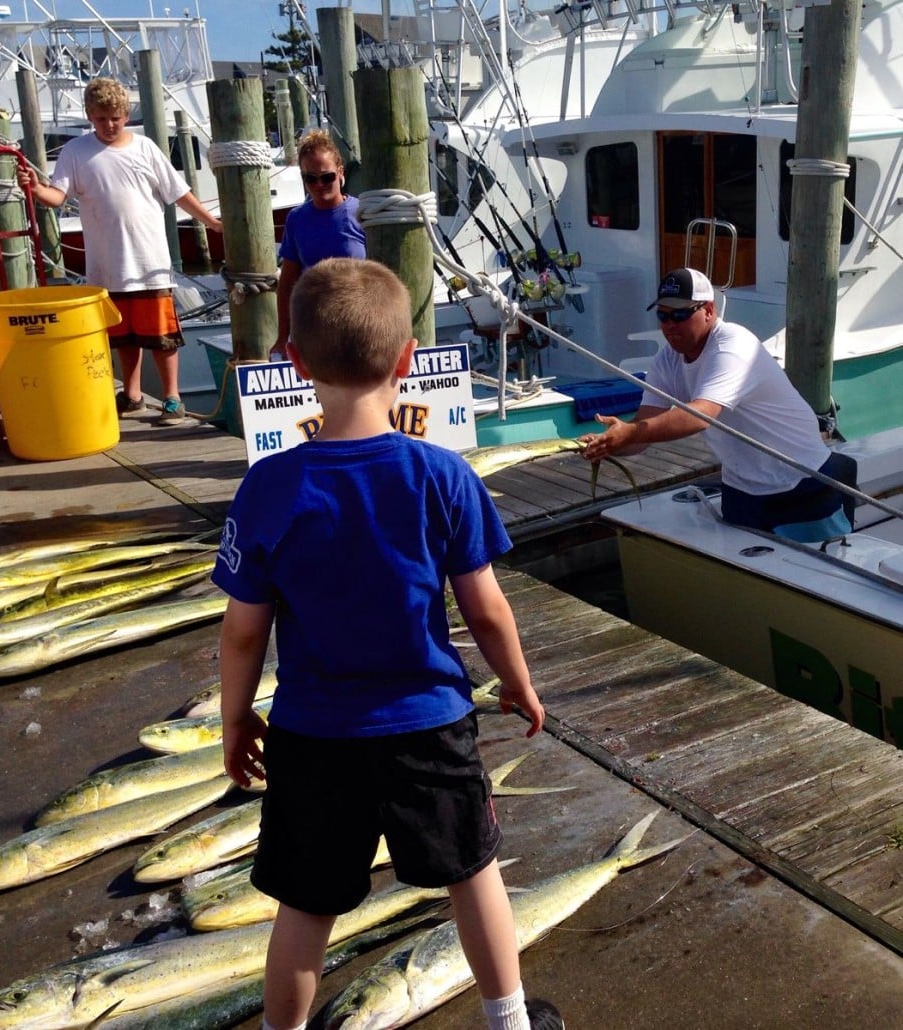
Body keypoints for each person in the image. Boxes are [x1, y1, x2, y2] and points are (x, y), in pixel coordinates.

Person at [213, 257, 564, 1030]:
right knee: (473, 872)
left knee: (305, 904)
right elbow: (487, 609)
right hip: (428, 723)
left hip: (312, 732)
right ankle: (508, 1020)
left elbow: (243, 632)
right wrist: (517, 681)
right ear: (407, 358)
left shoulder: (269, 486)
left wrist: (236, 720)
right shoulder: (441, 474)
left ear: (296, 362)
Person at [579, 267, 851, 539]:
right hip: (741, 489)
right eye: (663, 315)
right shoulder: (667, 359)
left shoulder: (733, 345)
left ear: (708, 311)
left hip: (800, 481)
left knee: (815, 572)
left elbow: (701, 415)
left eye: (681, 314)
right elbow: (641, 432)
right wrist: (610, 442)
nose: (670, 324)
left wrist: (629, 432)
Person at [17, 77, 223, 426]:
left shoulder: (145, 148)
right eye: (100, 118)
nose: (108, 125)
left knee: (162, 336)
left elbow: (179, 192)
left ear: (126, 114)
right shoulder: (75, 152)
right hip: (106, 267)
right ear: (89, 116)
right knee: (124, 337)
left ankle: (173, 397)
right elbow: (58, 196)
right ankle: (132, 394)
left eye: (115, 117)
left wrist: (212, 223)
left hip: (149, 261)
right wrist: (36, 190)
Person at [270, 128, 365, 358]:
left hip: (359, 325)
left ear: (340, 173)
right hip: (314, 328)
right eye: (310, 178)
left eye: (327, 177)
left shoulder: (363, 213)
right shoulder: (296, 219)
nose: (319, 184)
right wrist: (283, 337)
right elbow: (287, 284)